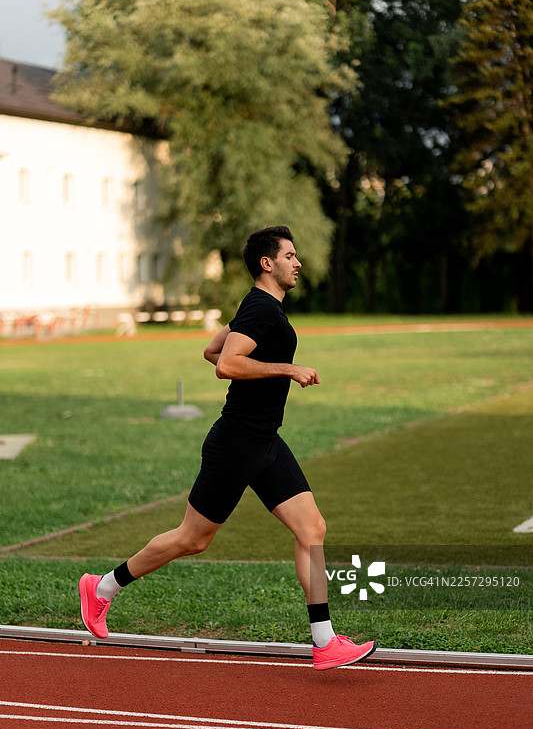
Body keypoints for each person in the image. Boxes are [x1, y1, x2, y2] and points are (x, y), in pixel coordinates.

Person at [79, 225, 376, 670]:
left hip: (265, 442)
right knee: (193, 538)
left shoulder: (259, 307)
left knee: (311, 529)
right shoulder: (261, 309)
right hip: (237, 443)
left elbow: (212, 349)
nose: (298, 263)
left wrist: (254, 351)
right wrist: (287, 369)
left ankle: (325, 641)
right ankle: (101, 588)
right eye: (290, 256)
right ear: (267, 263)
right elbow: (226, 365)